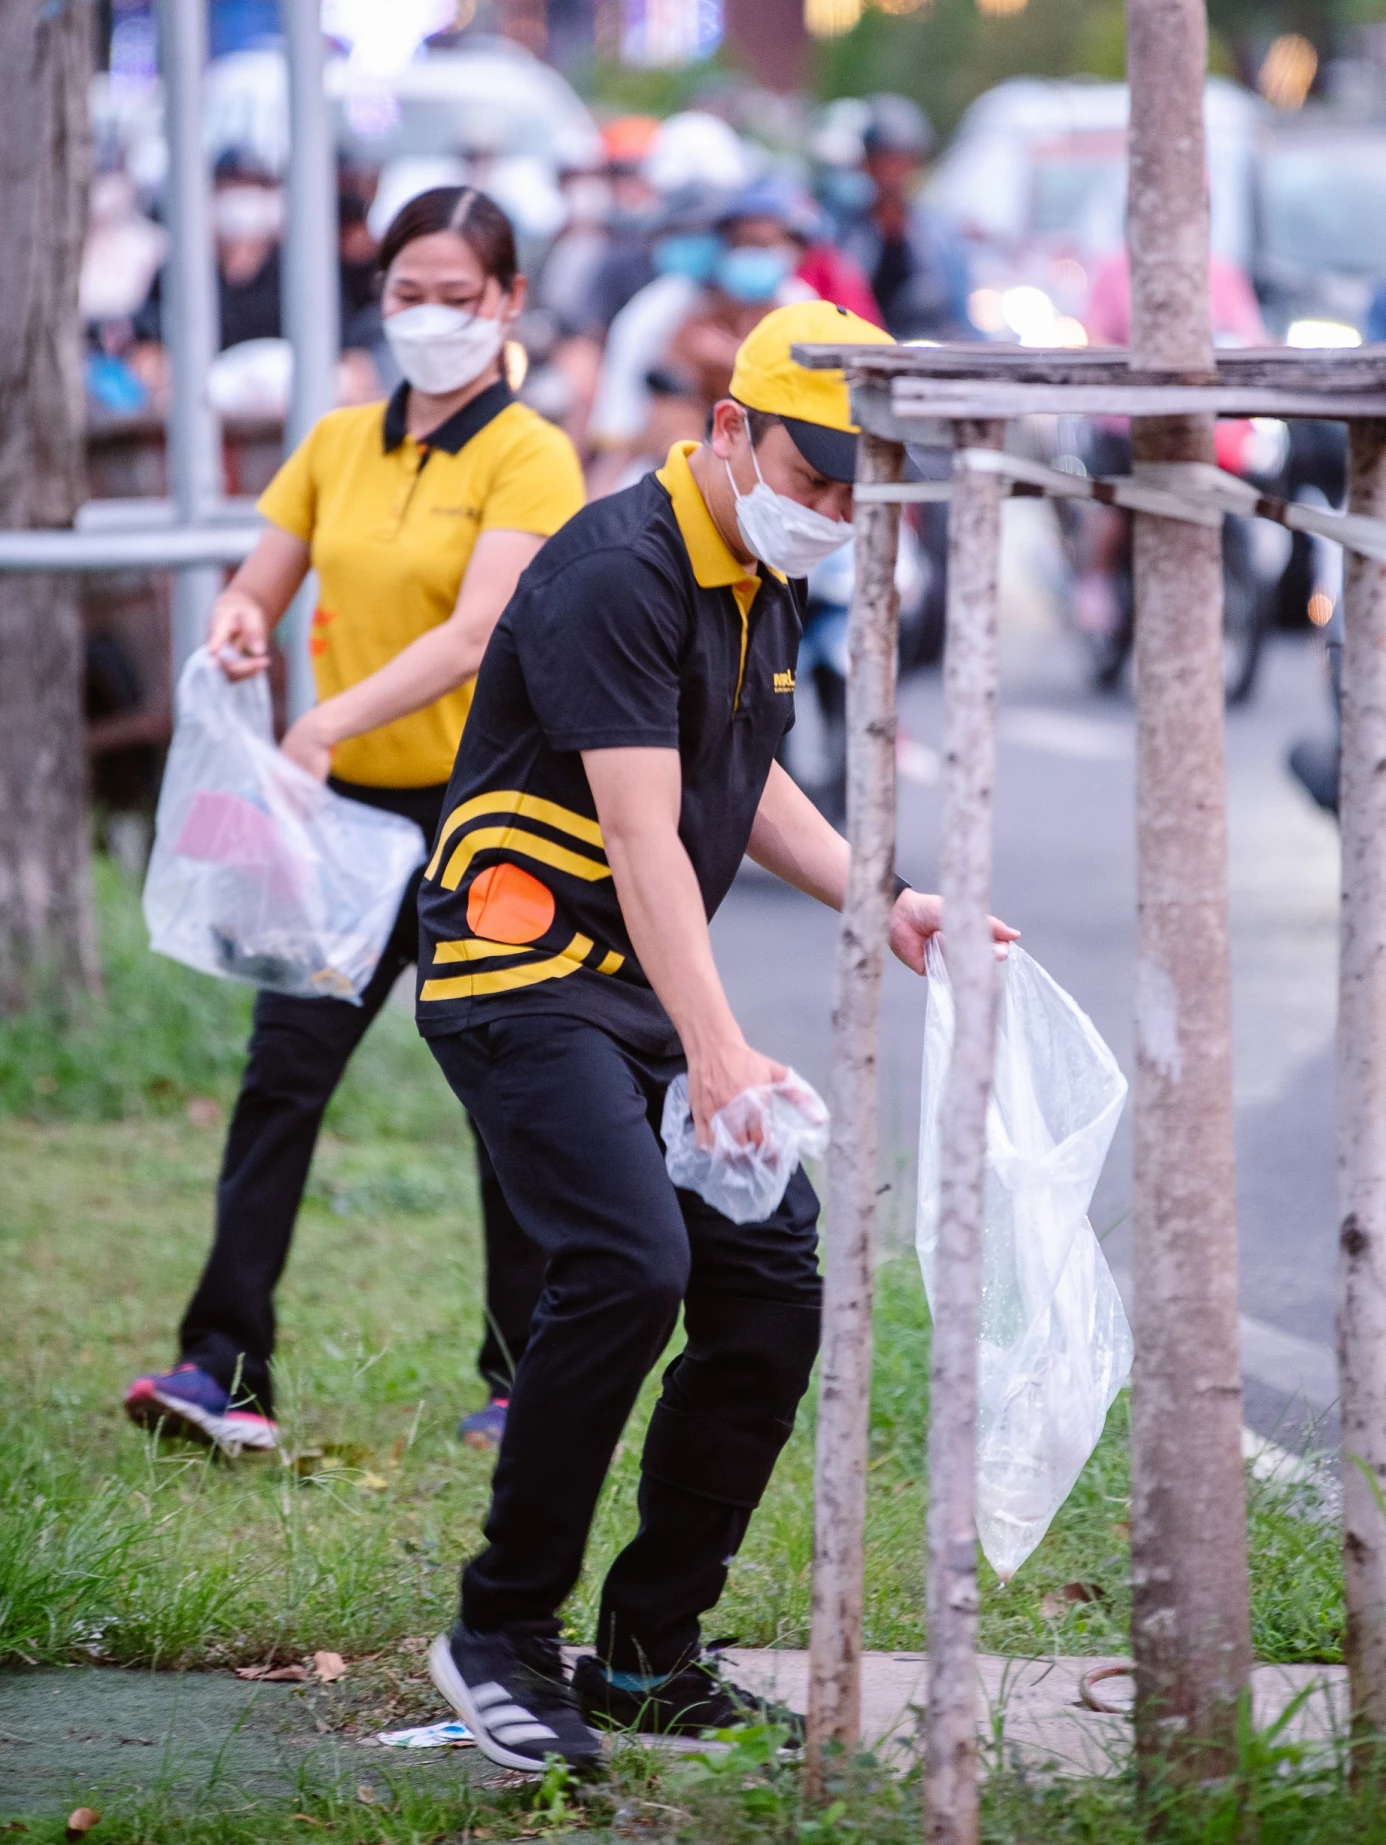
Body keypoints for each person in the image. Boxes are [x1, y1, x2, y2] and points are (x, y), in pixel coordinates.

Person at [413, 299, 1018, 1772]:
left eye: (848, 488)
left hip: (631, 975)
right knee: (630, 1263)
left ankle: (643, 1653)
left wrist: (883, 897)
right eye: (810, 475)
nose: (827, 509)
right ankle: (498, 1632)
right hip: (522, 969)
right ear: (727, 428)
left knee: (765, 1282)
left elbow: (734, 782)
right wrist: (720, 1044)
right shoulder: (617, 571)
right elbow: (638, 831)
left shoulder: (755, 576)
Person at [125, 187, 585, 1457]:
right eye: (407, 293)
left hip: (488, 818)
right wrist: (237, 624)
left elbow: (479, 630)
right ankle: (223, 1365)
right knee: (284, 1075)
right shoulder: (335, 442)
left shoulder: (527, 452)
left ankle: (518, 1380)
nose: (429, 317)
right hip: (345, 823)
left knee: (508, 1096)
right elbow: (261, 579)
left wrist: (321, 723)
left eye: (457, 295)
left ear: (508, 304)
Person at [832, 94, 973, 342]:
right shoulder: (842, 230)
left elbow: (959, 312)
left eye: (900, 160)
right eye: (882, 159)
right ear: (867, 163)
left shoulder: (939, 235)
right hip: (860, 352)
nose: (891, 171)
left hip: (927, 353)